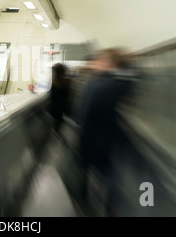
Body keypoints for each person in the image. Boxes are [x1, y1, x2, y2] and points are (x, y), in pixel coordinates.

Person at [77, 47, 132, 216]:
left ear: (107, 63)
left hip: (91, 138)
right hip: (105, 140)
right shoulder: (116, 85)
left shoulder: (94, 85)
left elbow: (83, 114)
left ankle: (84, 200)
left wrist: (80, 140)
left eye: (100, 61)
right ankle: (109, 206)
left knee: (89, 172)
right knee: (108, 176)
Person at [49, 63, 71, 134]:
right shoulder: (66, 82)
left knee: (56, 123)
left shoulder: (54, 83)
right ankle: (56, 131)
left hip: (55, 110)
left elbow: (53, 97)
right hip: (61, 110)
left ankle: (55, 131)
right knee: (58, 123)